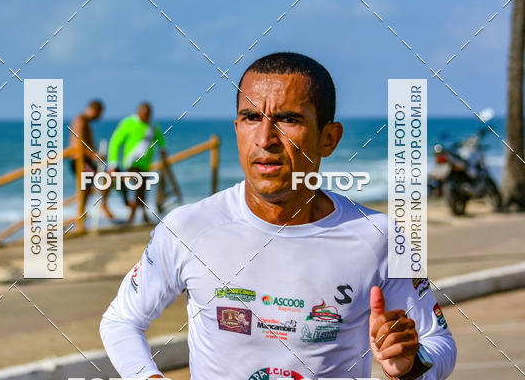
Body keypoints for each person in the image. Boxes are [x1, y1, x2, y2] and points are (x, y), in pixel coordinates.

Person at [99, 53, 456, 379]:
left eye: (288, 119)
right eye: (251, 117)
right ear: (237, 128)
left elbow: (438, 343)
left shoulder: (379, 237)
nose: (265, 138)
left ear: (328, 138)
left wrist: (410, 365)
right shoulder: (187, 228)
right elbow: (121, 321)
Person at [102, 102, 166, 223]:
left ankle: (140, 214)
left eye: (148, 114)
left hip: (145, 164)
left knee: (143, 189)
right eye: (144, 114)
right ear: (138, 112)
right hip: (131, 163)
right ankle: (132, 215)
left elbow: (160, 139)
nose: (146, 117)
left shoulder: (152, 126)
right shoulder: (128, 123)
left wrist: (163, 149)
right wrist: (113, 163)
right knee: (137, 184)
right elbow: (115, 142)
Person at [68, 99, 104, 209]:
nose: (99, 117)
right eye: (99, 114)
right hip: (80, 161)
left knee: (89, 187)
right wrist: (94, 155)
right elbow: (79, 144)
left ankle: (81, 213)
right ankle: (82, 212)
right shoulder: (80, 121)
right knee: (100, 180)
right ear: (94, 110)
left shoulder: (85, 122)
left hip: (85, 161)